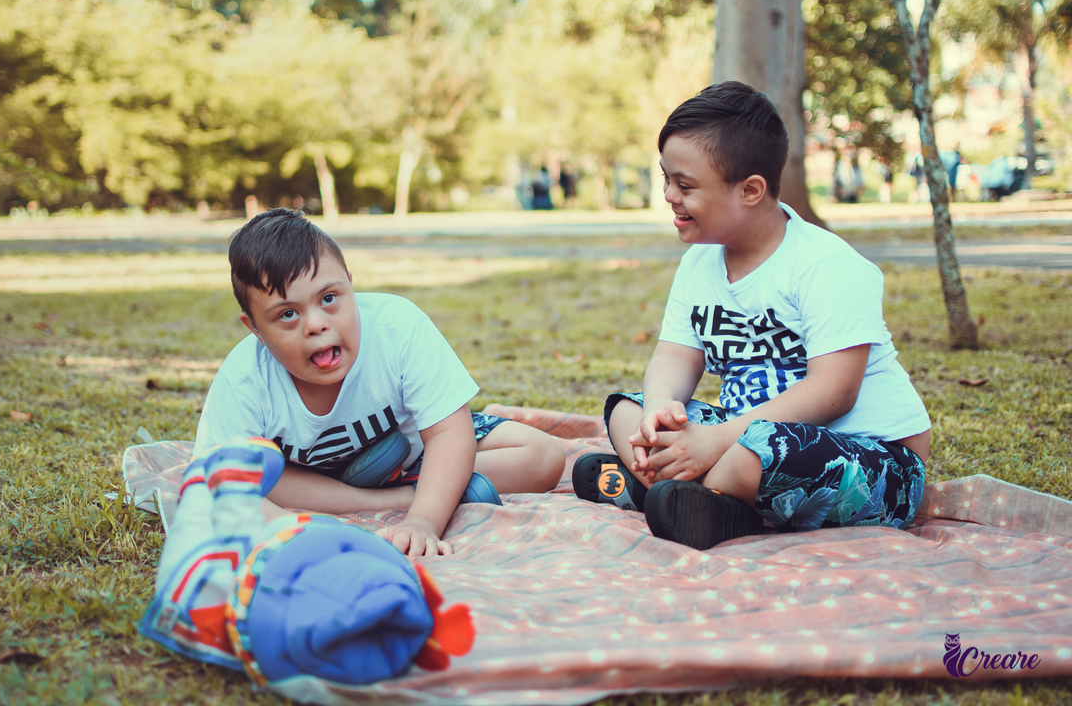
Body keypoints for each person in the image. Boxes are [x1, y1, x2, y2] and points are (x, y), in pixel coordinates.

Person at [572, 82, 931, 550]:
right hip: (742, 435)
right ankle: (691, 495)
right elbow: (676, 356)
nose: (668, 195)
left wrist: (717, 440)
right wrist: (660, 412)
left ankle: (672, 491)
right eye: (666, 179)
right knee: (628, 409)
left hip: (871, 459)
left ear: (751, 190)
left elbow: (835, 390)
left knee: (751, 456)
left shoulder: (827, 266)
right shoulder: (699, 263)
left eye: (685, 185)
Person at [195, 209, 566, 557]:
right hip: (312, 479)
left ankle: (428, 485)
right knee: (250, 476)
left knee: (544, 456)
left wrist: (423, 521)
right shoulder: (245, 378)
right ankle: (395, 498)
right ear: (255, 328)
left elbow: (448, 435)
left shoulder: (397, 328)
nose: (316, 324)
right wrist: (289, 529)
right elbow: (219, 482)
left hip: (413, 455)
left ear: (351, 287)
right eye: (288, 314)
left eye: (329, 298)